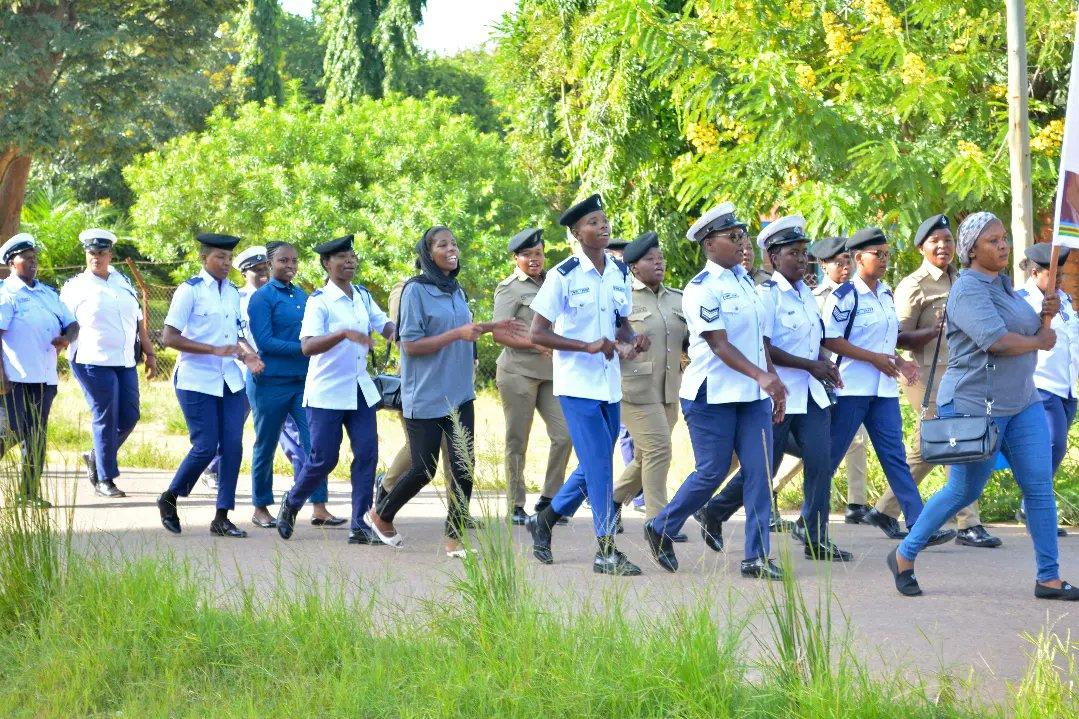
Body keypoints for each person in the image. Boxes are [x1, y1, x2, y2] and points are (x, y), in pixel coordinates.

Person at [888, 212, 1078, 601]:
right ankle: (905, 554)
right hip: (975, 406)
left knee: (1039, 487)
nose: (1003, 245)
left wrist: (1045, 316)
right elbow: (996, 341)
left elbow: (1025, 331)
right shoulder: (968, 290)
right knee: (962, 490)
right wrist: (1041, 341)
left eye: (1004, 238)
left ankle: (1049, 578)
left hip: (1022, 402)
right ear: (972, 250)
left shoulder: (1005, 286)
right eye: (993, 241)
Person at [693, 215, 852, 562]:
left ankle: (815, 535)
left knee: (821, 461)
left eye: (804, 252)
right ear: (774, 257)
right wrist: (810, 365)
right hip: (777, 394)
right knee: (765, 467)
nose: (801, 259)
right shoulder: (766, 294)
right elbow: (765, 348)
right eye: (793, 253)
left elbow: (816, 339)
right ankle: (715, 511)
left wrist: (824, 366)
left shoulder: (807, 294)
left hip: (809, 394)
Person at [643, 202, 787, 578]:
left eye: (743, 235)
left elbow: (758, 341)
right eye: (733, 237)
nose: (742, 243)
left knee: (761, 471)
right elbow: (720, 345)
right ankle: (661, 526)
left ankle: (756, 557)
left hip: (752, 396)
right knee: (712, 470)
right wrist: (763, 377)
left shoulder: (746, 282)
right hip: (712, 395)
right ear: (709, 244)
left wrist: (773, 381)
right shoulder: (700, 290)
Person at [367, 226, 514, 557]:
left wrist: (492, 327)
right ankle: (381, 514)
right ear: (427, 253)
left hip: (460, 393)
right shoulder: (415, 291)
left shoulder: (455, 289)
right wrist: (457, 334)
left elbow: (464, 331)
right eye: (443, 244)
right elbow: (412, 345)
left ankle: (454, 540)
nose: (452, 249)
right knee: (423, 468)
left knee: (463, 468)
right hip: (425, 394)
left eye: (454, 243)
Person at [524, 194, 649, 575]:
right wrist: (585, 346)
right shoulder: (563, 276)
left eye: (604, 219)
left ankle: (543, 520)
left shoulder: (619, 271)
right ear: (577, 233)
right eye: (593, 222)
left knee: (593, 464)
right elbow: (537, 334)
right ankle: (606, 550)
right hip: (576, 384)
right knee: (599, 465)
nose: (602, 226)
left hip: (608, 385)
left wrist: (631, 341)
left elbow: (620, 320)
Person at [822, 228, 955, 547]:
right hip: (852, 388)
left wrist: (899, 362)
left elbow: (883, 341)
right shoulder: (845, 296)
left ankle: (918, 524)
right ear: (858, 258)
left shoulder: (884, 293)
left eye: (886, 253)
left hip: (882, 390)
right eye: (876, 254)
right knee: (829, 458)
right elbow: (830, 339)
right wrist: (876, 359)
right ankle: (809, 522)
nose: (883, 259)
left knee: (894, 456)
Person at [886, 215, 1000, 547]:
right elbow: (898, 336)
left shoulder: (964, 280)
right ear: (921, 247)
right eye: (935, 240)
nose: (943, 246)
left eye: (948, 240)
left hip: (962, 375)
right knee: (956, 442)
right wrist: (932, 331)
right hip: (924, 376)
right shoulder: (913, 285)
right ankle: (968, 523)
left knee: (931, 447)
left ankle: (884, 508)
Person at [276, 235, 396, 544]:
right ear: (327, 264)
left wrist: (406, 334)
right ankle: (292, 502)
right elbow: (307, 346)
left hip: (359, 389)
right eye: (341, 257)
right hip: (327, 392)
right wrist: (343, 333)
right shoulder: (320, 301)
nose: (349, 261)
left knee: (367, 454)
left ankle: (360, 525)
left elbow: (385, 326)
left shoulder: (363, 296)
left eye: (352, 256)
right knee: (324, 460)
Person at [156, 233, 265, 538]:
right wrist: (212, 349)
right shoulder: (188, 291)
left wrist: (250, 356)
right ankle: (169, 497)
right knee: (205, 446)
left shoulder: (231, 293)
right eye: (220, 257)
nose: (226, 263)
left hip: (229, 380)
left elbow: (238, 334)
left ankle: (222, 516)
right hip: (195, 379)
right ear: (204, 258)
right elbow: (169, 337)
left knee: (232, 446)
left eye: (230, 258)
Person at [60, 228, 158, 498]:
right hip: (91, 360)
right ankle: (105, 478)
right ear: (86, 254)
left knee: (130, 415)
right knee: (105, 416)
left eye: (101, 253)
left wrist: (150, 354)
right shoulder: (75, 287)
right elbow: (62, 322)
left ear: (110, 255)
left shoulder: (122, 281)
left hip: (125, 360)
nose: (96, 257)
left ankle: (96, 455)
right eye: (92, 253)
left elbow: (139, 322)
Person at [492, 227, 572, 525]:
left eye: (537, 253)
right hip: (517, 372)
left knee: (565, 435)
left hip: (551, 373)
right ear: (516, 258)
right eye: (526, 255)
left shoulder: (555, 282)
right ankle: (515, 504)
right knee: (517, 440)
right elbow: (500, 333)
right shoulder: (509, 288)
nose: (533, 259)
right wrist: (538, 342)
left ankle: (550, 500)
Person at [611, 231, 689, 534]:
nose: (658, 264)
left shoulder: (678, 299)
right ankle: (658, 522)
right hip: (634, 390)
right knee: (659, 451)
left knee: (647, 455)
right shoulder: (622, 299)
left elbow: (688, 343)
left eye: (660, 259)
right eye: (649, 259)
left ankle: (612, 501)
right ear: (633, 267)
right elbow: (611, 339)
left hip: (669, 389)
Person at [0, 233, 78, 507]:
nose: (34, 263)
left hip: (45, 378)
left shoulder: (46, 293)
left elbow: (72, 323)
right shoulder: (6, 294)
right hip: (15, 379)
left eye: (35, 258)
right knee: (9, 431)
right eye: (27, 259)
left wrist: (67, 338)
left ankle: (28, 493)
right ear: (11, 262)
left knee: (36, 436)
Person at [374, 262, 452, 503]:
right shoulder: (406, 288)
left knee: (455, 447)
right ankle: (386, 489)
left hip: (452, 377)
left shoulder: (453, 289)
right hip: (421, 378)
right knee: (418, 448)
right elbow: (405, 332)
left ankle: (458, 509)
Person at [808, 237, 872, 525]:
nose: (844, 268)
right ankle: (773, 489)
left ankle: (856, 503)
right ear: (823, 266)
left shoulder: (860, 294)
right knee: (811, 446)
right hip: (821, 378)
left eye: (847, 261)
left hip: (851, 379)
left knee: (857, 440)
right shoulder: (815, 298)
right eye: (838, 263)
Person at [1017, 242, 1076, 538]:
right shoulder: (1022, 300)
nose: (1061, 281)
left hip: (1066, 387)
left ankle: (1033, 505)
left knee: (1053, 447)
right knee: (1054, 443)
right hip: (1040, 384)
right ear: (1037, 272)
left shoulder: (1063, 300)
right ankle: (1034, 505)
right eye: (1056, 275)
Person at [200, 246, 269, 491]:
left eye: (266, 269)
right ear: (244, 273)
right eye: (257, 271)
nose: (264, 275)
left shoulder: (275, 296)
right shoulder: (236, 299)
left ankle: (303, 471)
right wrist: (250, 357)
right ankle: (212, 467)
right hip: (242, 373)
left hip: (273, 373)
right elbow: (235, 335)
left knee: (286, 423)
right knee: (234, 424)